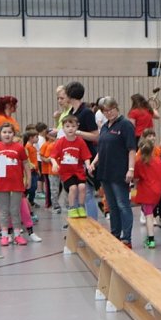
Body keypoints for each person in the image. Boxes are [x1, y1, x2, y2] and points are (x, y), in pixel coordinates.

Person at [89, 97, 136, 249]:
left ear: (117, 107)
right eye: (105, 111)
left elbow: (131, 149)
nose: (109, 113)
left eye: (111, 109)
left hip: (119, 171)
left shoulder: (125, 125)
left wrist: (131, 169)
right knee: (112, 205)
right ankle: (115, 233)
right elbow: (102, 149)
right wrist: (94, 162)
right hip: (105, 171)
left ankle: (126, 237)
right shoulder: (104, 127)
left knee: (123, 204)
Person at [0, 123, 33, 246]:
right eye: (4, 132)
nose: (7, 135)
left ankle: (17, 235)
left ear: (14, 134)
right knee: (3, 210)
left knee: (15, 209)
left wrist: (28, 178)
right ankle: (5, 235)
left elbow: (25, 164)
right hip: (1, 184)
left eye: (10, 132)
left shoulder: (19, 147)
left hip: (17, 183)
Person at [62, 82, 100, 219]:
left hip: (85, 156)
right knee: (74, 193)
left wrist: (77, 132)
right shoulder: (71, 112)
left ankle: (92, 224)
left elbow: (96, 135)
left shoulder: (86, 113)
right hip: (72, 158)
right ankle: (78, 225)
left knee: (87, 192)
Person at [50, 115, 92, 219]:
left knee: (82, 187)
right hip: (66, 173)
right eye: (67, 126)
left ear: (77, 127)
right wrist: (55, 164)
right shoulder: (60, 142)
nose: (70, 128)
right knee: (73, 188)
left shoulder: (80, 141)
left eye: (73, 126)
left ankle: (81, 207)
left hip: (78, 171)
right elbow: (52, 156)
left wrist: (88, 165)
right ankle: (72, 207)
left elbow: (86, 156)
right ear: (63, 128)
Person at [132, 139, 161, 249]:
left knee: (148, 215)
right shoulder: (158, 161)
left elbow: (136, 178)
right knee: (149, 212)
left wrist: (135, 184)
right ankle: (150, 237)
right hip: (157, 192)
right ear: (153, 150)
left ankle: (151, 239)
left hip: (146, 192)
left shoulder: (139, 163)